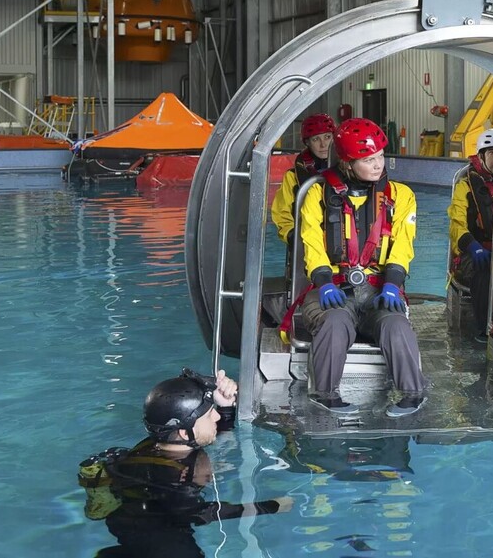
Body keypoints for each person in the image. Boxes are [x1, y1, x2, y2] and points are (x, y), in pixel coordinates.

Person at [81, 369, 292, 557]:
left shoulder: (154, 446)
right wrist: (271, 506)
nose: (217, 418)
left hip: (125, 521)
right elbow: (203, 514)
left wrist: (226, 407)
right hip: (158, 540)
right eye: (211, 415)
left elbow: (207, 435)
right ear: (184, 432)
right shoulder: (175, 479)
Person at [297, 117, 426, 418]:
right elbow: (312, 243)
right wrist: (324, 281)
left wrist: (393, 283)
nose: (378, 164)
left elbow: (403, 246)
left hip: (380, 288)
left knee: (397, 324)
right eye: (368, 159)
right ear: (346, 162)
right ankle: (324, 395)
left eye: (380, 156)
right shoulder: (317, 194)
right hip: (332, 288)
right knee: (335, 321)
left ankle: (413, 396)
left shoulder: (401, 196)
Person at [447, 127, 493, 343]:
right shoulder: (466, 187)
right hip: (477, 253)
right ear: (481, 157)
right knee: (486, 272)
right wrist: (473, 246)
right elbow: (456, 225)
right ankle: (484, 330)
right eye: (491, 153)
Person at [271, 113, 336, 244]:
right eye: (316, 139)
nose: (323, 145)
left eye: (327, 137)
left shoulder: (350, 170)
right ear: (307, 143)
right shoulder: (293, 177)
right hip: (306, 241)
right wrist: (292, 236)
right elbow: (281, 213)